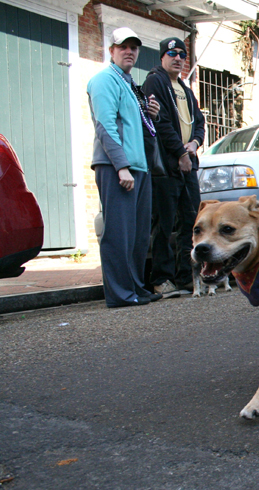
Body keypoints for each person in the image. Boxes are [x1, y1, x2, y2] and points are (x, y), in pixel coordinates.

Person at [88, 27, 162, 308]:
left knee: (139, 234)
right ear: (111, 51)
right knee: (119, 233)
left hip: (138, 167)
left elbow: (135, 128)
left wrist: (150, 114)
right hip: (116, 166)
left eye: (134, 47)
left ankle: (136, 288)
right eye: (123, 47)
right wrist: (121, 167)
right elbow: (105, 126)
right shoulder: (104, 80)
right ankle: (121, 294)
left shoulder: (130, 85)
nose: (129, 51)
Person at [143, 37, 206, 298]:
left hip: (187, 164)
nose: (178, 58)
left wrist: (193, 143)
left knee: (191, 223)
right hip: (167, 166)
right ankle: (161, 279)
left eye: (182, 54)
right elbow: (161, 123)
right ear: (162, 57)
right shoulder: (155, 81)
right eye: (172, 53)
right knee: (164, 223)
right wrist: (180, 153)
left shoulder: (184, 88)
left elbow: (200, 122)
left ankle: (186, 277)